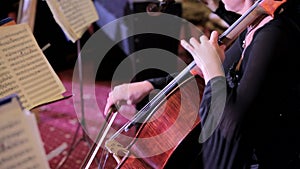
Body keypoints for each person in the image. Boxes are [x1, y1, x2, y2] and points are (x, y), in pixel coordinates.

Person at [104, 0, 300, 168]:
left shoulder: (274, 34)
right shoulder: (250, 25)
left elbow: (233, 129)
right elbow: (198, 79)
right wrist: (150, 85)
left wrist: (213, 70)